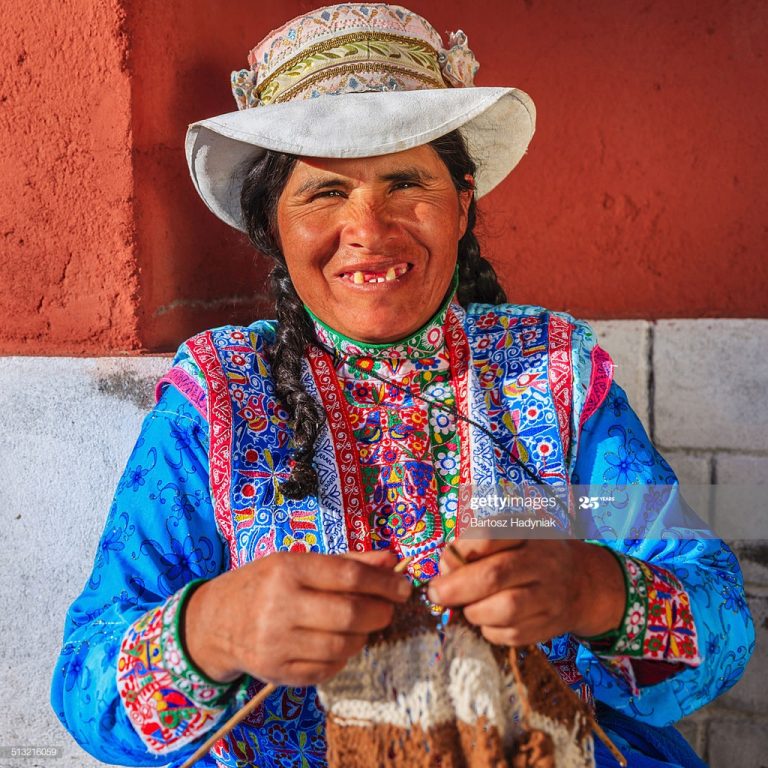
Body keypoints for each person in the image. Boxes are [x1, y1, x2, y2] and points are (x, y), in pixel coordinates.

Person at [52, 4, 754, 767]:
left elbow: (718, 619)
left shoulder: (551, 375)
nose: (370, 227)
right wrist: (214, 630)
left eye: (405, 183)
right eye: (324, 193)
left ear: (461, 204)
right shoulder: (218, 397)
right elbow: (86, 684)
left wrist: (592, 589)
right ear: (273, 228)